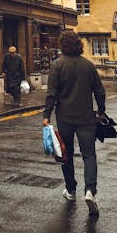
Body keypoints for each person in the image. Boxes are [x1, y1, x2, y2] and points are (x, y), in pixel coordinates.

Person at [43, 30, 106, 216]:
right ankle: (90, 191)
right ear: (79, 45)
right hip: (86, 118)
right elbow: (100, 91)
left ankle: (71, 190)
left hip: (65, 119)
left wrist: (47, 114)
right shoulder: (88, 65)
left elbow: (51, 93)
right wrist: (101, 111)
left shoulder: (57, 65)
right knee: (89, 155)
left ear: (62, 45)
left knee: (66, 154)